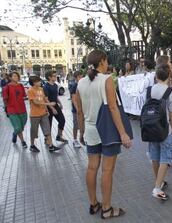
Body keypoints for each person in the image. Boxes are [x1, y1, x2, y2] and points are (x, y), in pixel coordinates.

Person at [76, 50, 132, 219]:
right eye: (106, 61)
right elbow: (113, 108)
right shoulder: (106, 80)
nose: (107, 64)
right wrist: (123, 133)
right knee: (107, 170)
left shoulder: (81, 83)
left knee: (92, 167)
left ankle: (94, 204)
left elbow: (79, 111)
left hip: (91, 130)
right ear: (102, 61)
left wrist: (82, 131)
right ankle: (107, 209)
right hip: (107, 130)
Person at [147, 63, 172, 200]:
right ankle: (157, 188)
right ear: (169, 76)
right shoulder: (170, 91)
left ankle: (159, 181)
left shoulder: (149, 90)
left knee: (155, 156)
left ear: (156, 75)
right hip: (165, 129)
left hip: (150, 127)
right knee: (166, 157)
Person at [27, 75, 60, 152]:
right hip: (34, 115)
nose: (40, 82)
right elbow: (36, 102)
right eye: (38, 81)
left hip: (43, 113)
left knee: (47, 130)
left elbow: (44, 99)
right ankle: (32, 145)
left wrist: (47, 110)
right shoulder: (30, 91)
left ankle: (51, 146)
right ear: (34, 82)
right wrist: (49, 104)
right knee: (34, 131)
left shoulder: (41, 89)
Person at [2, 71, 28, 148]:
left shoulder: (20, 86)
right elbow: (5, 99)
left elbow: (24, 96)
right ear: (10, 78)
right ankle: (23, 142)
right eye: (13, 76)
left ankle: (15, 133)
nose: (15, 77)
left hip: (22, 109)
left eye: (16, 76)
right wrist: (6, 109)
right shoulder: (6, 87)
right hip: (12, 110)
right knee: (18, 127)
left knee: (22, 126)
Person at [43, 70, 68, 143]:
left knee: (62, 121)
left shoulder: (55, 85)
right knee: (49, 124)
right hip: (49, 107)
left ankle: (59, 136)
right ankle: (47, 139)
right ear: (49, 77)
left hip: (56, 105)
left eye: (55, 76)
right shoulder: (46, 86)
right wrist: (52, 108)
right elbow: (46, 99)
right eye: (54, 76)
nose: (55, 77)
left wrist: (60, 103)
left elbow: (56, 96)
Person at [69, 71, 83, 148]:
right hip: (76, 110)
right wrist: (77, 109)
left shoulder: (82, 85)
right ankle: (75, 140)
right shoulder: (74, 86)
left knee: (82, 125)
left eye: (82, 76)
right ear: (76, 78)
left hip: (83, 109)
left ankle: (83, 138)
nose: (81, 78)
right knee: (76, 125)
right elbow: (73, 99)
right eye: (80, 77)